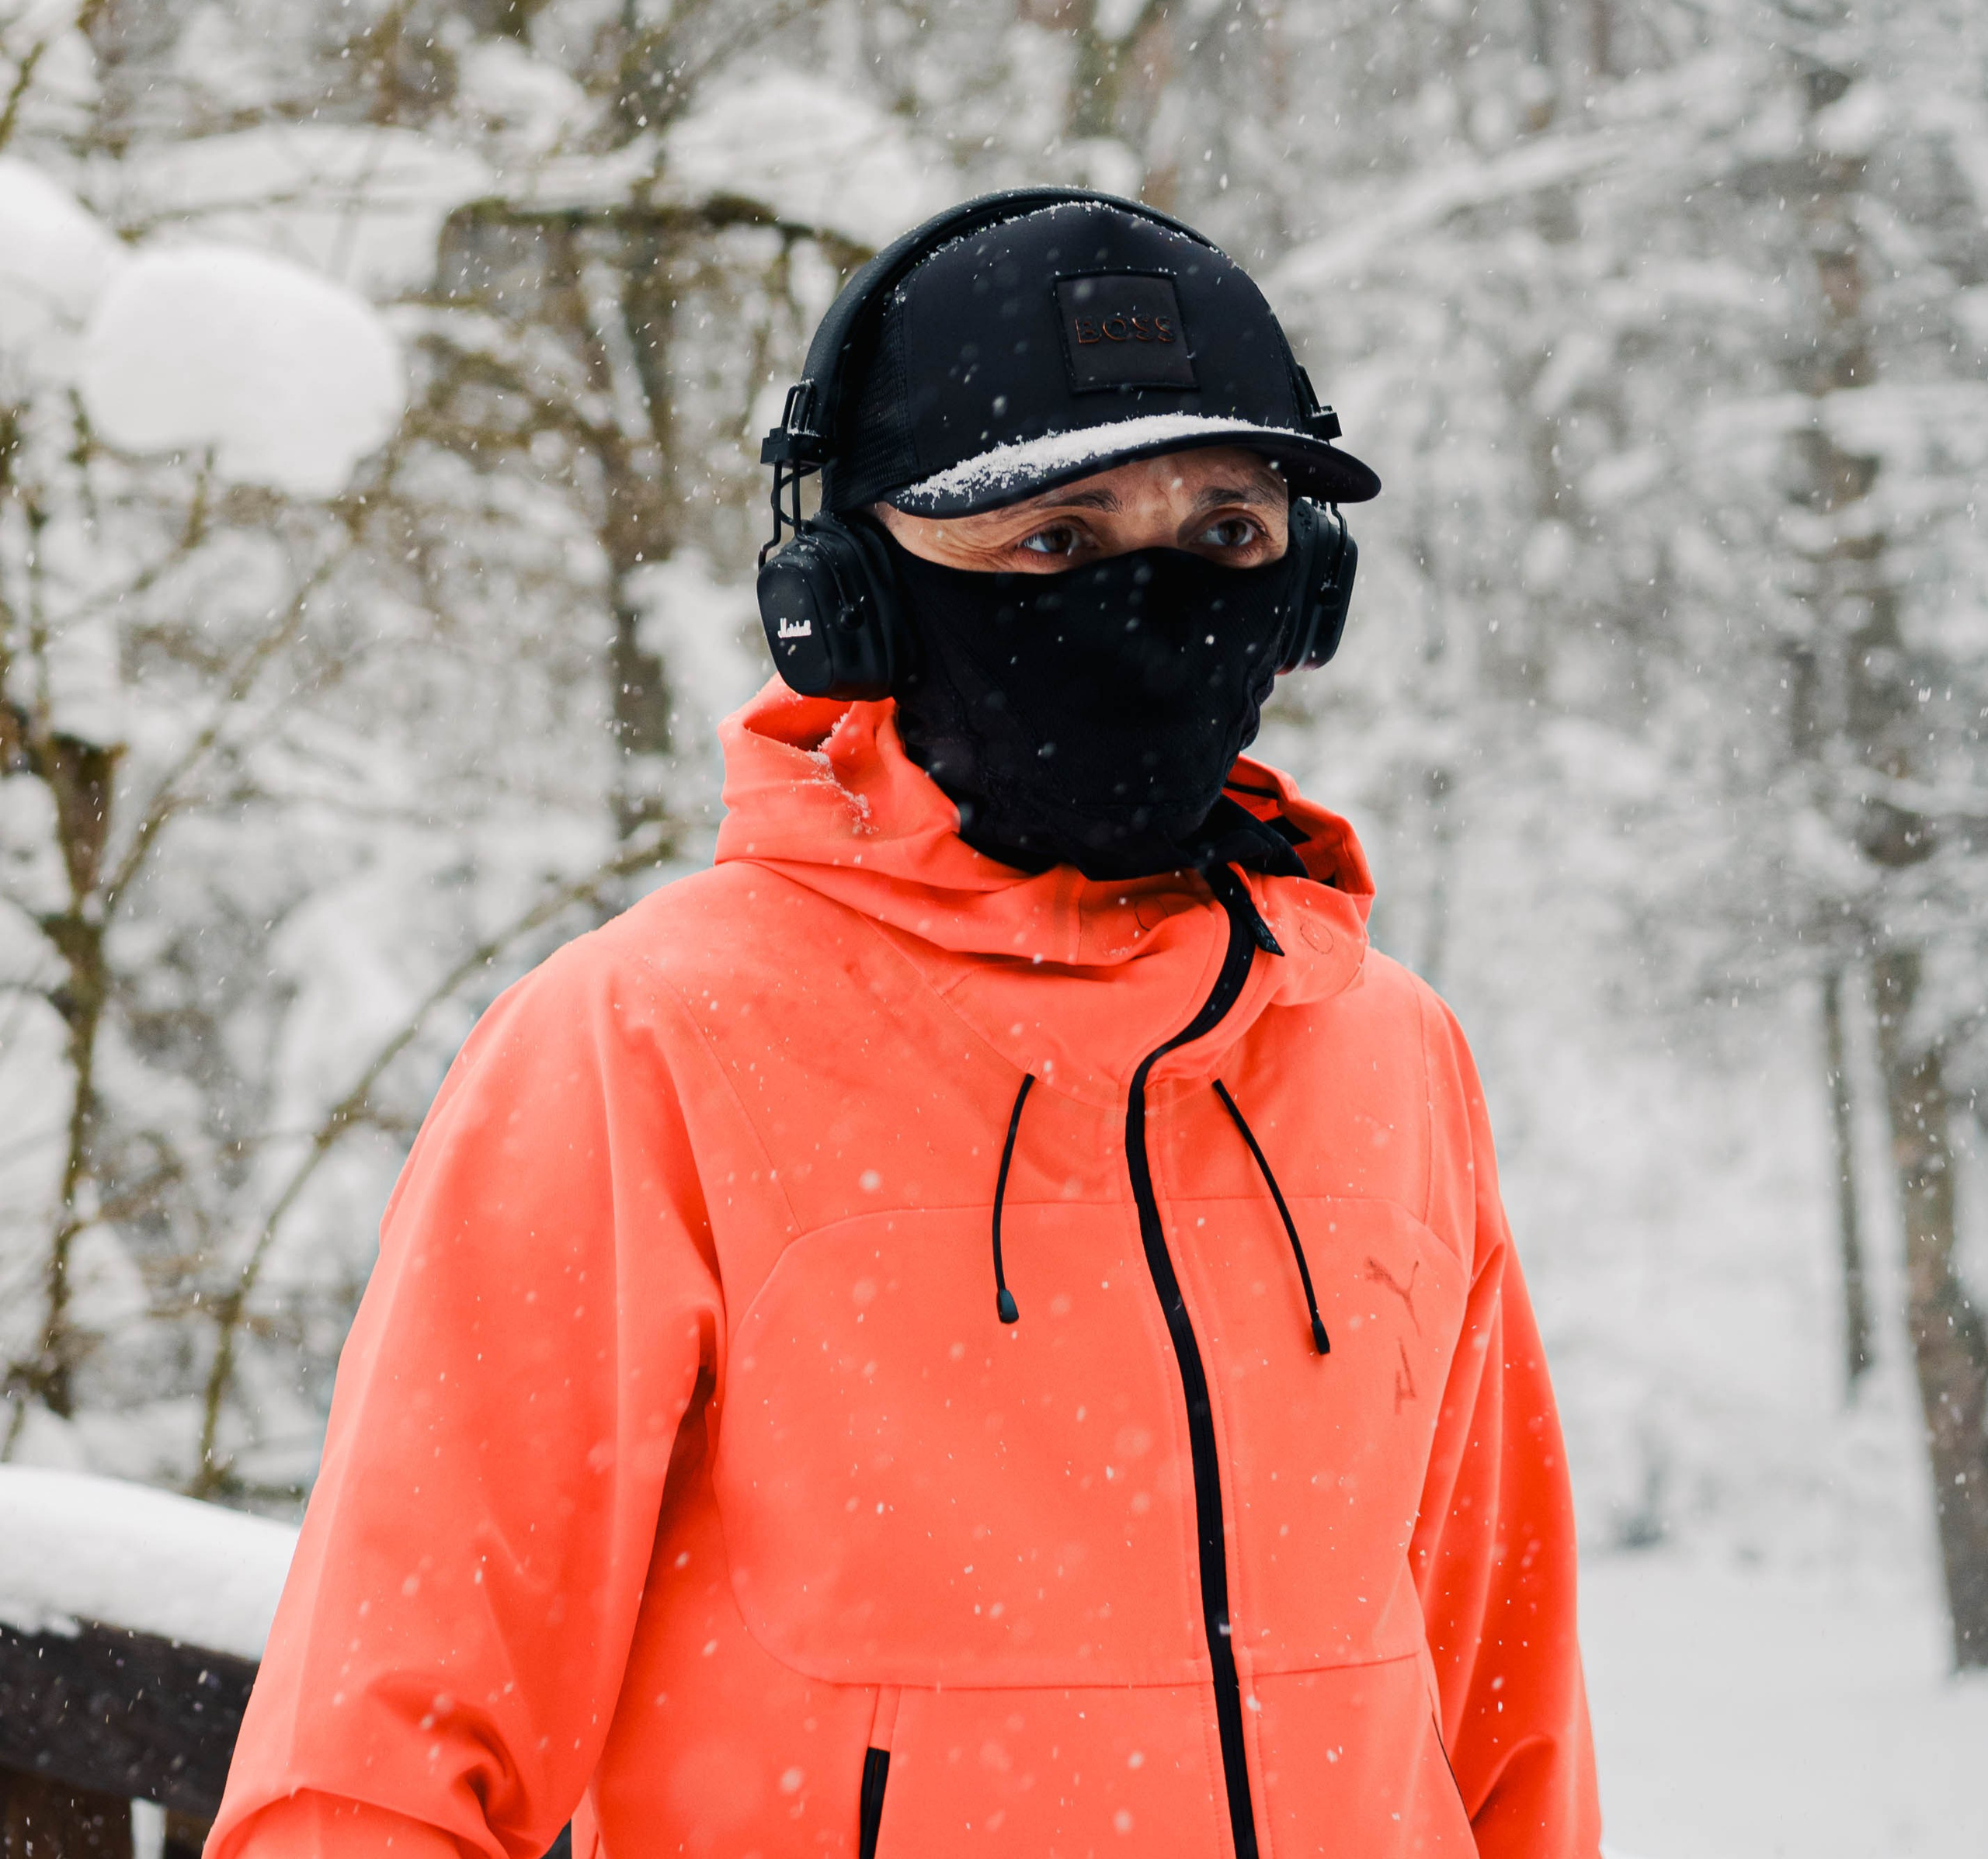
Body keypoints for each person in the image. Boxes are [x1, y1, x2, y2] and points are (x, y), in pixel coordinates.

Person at [210, 189, 1600, 1859]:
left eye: (1225, 535)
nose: (1148, 602)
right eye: (1054, 543)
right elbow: (378, 1752)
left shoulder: (1386, 1052)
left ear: (1306, 591)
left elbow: (1499, 1716)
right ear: (848, 600)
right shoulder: (643, 1040)